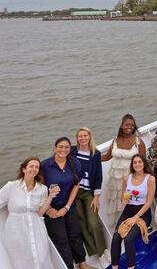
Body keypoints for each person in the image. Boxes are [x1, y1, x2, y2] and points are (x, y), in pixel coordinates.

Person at [0, 158, 58, 269]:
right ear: (24, 169)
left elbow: (40, 212)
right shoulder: (11, 186)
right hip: (16, 231)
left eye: (37, 167)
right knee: (21, 261)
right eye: (31, 166)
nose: (34, 169)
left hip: (37, 229)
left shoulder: (42, 189)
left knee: (41, 257)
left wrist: (50, 196)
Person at [41, 137, 87, 269]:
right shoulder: (45, 166)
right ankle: (69, 267)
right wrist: (49, 208)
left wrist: (66, 207)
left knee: (75, 235)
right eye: (60, 146)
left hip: (69, 207)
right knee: (61, 240)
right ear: (54, 148)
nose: (63, 149)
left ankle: (82, 264)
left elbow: (76, 186)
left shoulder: (75, 163)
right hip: (52, 211)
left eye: (67, 147)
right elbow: (38, 189)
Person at [71, 128, 110, 266]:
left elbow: (99, 175)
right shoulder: (71, 151)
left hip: (88, 193)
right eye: (80, 136)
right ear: (77, 138)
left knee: (94, 223)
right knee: (82, 224)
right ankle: (95, 252)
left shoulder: (95, 154)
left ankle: (103, 250)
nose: (82, 138)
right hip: (74, 192)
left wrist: (96, 196)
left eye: (85, 135)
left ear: (89, 137)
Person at [110, 154, 155, 269]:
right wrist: (123, 200)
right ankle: (114, 267)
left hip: (143, 214)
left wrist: (135, 218)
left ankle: (131, 267)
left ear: (144, 163)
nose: (137, 164)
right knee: (115, 238)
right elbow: (123, 197)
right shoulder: (127, 178)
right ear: (132, 165)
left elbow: (149, 202)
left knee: (128, 239)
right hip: (128, 211)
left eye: (140, 162)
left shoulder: (150, 179)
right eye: (135, 162)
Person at [102, 114, 146, 225]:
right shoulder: (115, 141)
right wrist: (90, 156)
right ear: (122, 125)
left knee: (131, 201)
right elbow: (107, 157)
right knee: (119, 203)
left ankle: (136, 225)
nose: (129, 127)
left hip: (131, 180)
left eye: (132, 125)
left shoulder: (138, 142)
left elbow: (144, 162)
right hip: (116, 182)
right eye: (127, 124)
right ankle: (122, 227)